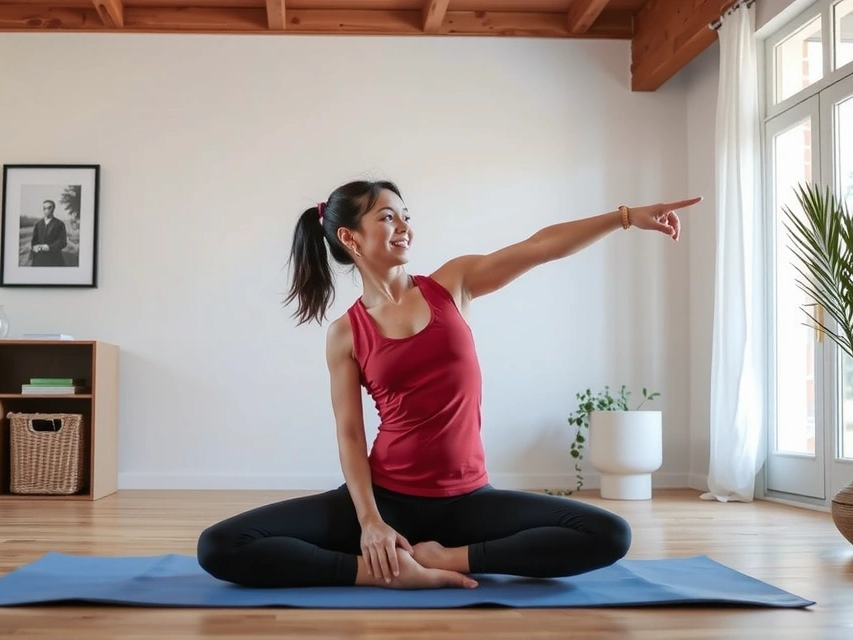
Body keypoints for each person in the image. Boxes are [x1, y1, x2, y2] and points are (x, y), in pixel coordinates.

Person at [197, 179, 700, 590]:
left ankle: (448, 559)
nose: (404, 227)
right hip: (387, 499)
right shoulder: (346, 333)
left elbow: (540, 247)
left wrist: (627, 217)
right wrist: (370, 523)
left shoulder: (451, 285)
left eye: (405, 216)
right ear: (350, 238)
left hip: (468, 503)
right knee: (219, 546)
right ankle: (380, 573)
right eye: (387, 217)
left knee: (608, 533)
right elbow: (350, 436)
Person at [30, 199, 67, 267]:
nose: (46, 210)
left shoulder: (60, 224)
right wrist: (34, 247)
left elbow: (63, 242)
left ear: (53, 209)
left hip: (54, 259)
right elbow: (34, 241)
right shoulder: (38, 224)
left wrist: (48, 247)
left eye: (49, 208)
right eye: (44, 208)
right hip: (39, 260)